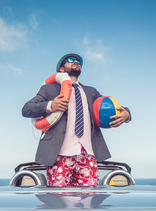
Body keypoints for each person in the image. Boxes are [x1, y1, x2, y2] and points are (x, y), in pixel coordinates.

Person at [22, 53, 131, 187]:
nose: (76, 62)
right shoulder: (48, 89)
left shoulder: (91, 92)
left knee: (89, 199)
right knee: (58, 202)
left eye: (78, 61)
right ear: (61, 69)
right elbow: (26, 109)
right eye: (71, 60)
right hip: (59, 155)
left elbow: (113, 106)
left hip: (87, 155)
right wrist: (50, 105)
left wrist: (127, 114)